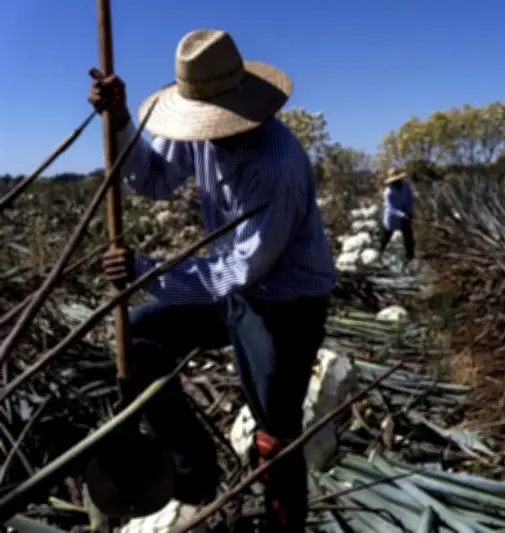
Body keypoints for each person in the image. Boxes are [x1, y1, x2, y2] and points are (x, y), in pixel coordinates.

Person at [88, 28, 335, 531]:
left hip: (285, 301)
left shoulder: (276, 165)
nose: (212, 132)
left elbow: (238, 268)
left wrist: (146, 271)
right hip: (230, 288)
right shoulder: (200, 135)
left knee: (275, 434)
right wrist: (118, 121)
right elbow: (151, 178)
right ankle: (194, 470)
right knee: (140, 336)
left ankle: (282, 523)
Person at [378, 168, 415, 265]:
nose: (397, 181)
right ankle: (379, 256)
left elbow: (409, 199)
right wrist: (402, 214)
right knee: (385, 238)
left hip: (405, 215)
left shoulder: (406, 187)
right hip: (392, 218)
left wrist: (410, 211)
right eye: (395, 180)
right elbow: (390, 208)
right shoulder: (388, 192)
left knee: (408, 237)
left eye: (398, 179)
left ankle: (410, 258)